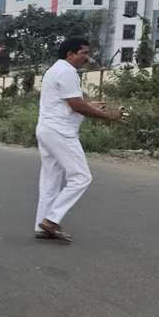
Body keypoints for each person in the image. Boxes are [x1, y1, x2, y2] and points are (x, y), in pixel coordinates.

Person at [34, 38, 124, 242]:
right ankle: (51, 220)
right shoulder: (67, 72)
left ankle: (42, 225)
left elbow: (68, 102)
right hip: (60, 131)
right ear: (70, 54)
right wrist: (108, 116)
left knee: (51, 180)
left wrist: (89, 104)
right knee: (81, 177)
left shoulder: (55, 70)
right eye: (83, 53)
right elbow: (77, 105)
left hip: (47, 129)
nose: (87, 57)